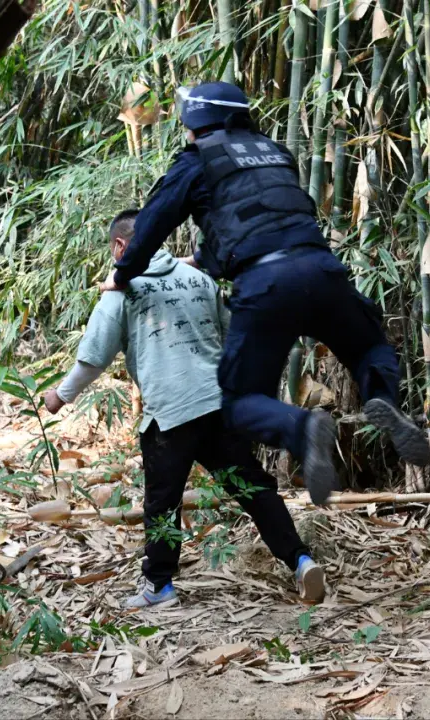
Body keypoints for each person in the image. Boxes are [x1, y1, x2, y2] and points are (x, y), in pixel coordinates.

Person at [99, 82, 430, 506]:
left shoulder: (196, 160)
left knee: (239, 403)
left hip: (265, 284)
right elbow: (268, 216)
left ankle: (301, 429)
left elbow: (149, 227)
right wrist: (201, 259)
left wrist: (124, 273)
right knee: (370, 347)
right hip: (322, 269)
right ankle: (382, 400)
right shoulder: (276, 153)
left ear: (196, 121)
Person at [44, 209, 325, 609]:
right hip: (218, 405)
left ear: (121, 247)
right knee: (254, 488)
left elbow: (93, 359)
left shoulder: (122, 288)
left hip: (171, 413)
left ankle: (159, 585)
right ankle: (299, 559)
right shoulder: (198, 278)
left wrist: (60, 395)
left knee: (163, 501)